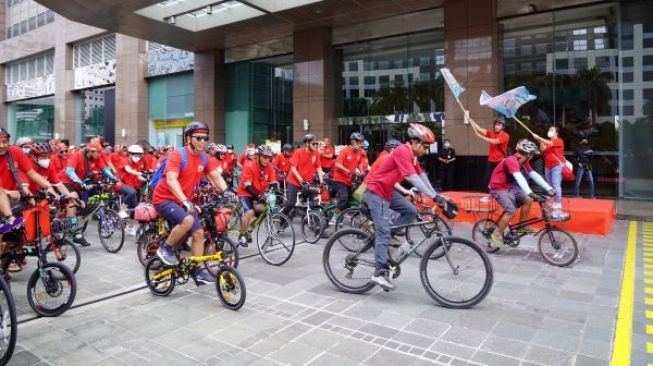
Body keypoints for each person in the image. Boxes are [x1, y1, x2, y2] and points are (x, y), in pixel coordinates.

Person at [364, 123, 442, 291]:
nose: (426, 150)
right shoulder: (402, 151)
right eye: (425, 146)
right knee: (383, 233)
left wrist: (436, 195)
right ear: (415, 142)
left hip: (388, 191)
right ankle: (378, 273)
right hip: (376, 193)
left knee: (411, 210)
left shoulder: (413, 156)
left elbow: (421, 175)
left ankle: (385, 234)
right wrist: (434, 196)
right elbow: (413, 178)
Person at [153, 121, 228, 284]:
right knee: (188, 220)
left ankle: (196, 269)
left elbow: (215, 176)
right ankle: (165, 248)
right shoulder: (178, 155)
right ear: (188, 138)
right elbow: (172, 180)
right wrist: (185, 200)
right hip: (164, 199)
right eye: (198, 138)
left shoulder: (203, 157)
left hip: (183, 202)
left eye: (205, 138)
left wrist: (227, 191)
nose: (202, 142)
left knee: (199, 233)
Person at [487, 139, 555, 251]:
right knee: (511, 210)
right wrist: (530, 192)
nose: (532, 157)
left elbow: (533, 175)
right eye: (531, 154)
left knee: (528, 200)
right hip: (498, 188)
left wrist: (548, 188)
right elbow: (519, 178)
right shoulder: (511, 160)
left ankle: (521, 227)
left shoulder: (523, 162)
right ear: (528, 154)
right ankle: (497, 234)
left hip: (509, 186)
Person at [60, 140, 122, 246]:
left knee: (84, 208)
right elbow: (69, 171)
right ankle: (68, 231)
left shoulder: (96, 157)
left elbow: (104, 169)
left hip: (81, 184)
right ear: (90, 151)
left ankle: (77, 234)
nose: (99, 155)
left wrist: (114, 178)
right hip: (66, 182)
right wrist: (80, 182)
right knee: (74, 201)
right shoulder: (77, 155)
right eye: (97, 152)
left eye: (99, 152)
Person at [236, 145, 277, 246]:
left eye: (268, 157)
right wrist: (259, 196)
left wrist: (276, 191)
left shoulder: (270, 167)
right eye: (264, 157)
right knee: (249, 212)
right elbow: (247, 186)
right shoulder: (249, 166)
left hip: (259, 193)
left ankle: (247, 229)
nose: (266, 160)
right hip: (245, 192)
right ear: (258, 156)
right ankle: (242, 235)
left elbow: (273, 182)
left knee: (263, 212)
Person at [281, 134, 323, 217]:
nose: (316, 145)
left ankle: (315, 222)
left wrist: (321, 181)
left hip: (307, 181)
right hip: (294, 181)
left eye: (317, 144)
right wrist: (301, 181)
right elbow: (293, 169)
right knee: (291, 203)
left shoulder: (316, 153)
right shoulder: (298, 152)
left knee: (312, 202)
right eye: (313, 144)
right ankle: (281, 217)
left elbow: (319, 167)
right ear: (307, 144)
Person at [331, 132, 366, 222]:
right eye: (358, 143)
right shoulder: (345, 151)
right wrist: (348, 171)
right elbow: (338, 164)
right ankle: (334, 216)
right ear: (353, 142)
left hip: (349, 180)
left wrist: (362, 172)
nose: (360, 145)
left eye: (361, 143)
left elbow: (361, 163)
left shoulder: (360, 152)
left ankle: (341, 216)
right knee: (344, 197)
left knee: (352, 199)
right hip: (339, 179)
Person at [533, 126, 566, 219]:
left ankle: (558, 205)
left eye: (552, 130)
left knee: (556, 185)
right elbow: (542, 149)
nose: (550, 131)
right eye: (549, 130)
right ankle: (551, 208)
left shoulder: (559, 140)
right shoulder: (547, 141)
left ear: (556, 133)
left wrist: (539, 137)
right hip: (548, 166)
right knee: (550, 186)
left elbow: (551, 144)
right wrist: (540, 141)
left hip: (556, 165)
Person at [469, 117, 510, 189]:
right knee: (488, 177)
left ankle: (500, 192)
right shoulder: (491, 132)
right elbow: (479, 129)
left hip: (500, 161)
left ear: (503, 127)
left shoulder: (505, 136)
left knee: (499, 178)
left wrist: (480, 136)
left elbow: (494, 141)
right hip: (491, 160)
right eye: (496, 124)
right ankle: (487, 193)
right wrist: (471, 121)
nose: (496, 126)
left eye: (499, 125)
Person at [119, 145, 149, 235]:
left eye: (140, 155)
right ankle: (122, 210)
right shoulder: (124, 160)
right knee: (132, 192)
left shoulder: (138, 163)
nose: (138, 157)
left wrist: (147, 179)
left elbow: (139, 177)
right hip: (121, 184)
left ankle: (129, 227)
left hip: (133, 186)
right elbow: (129, 170)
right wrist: (139, 173)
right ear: (130, 154)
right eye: (136, 155)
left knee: (134, 208)